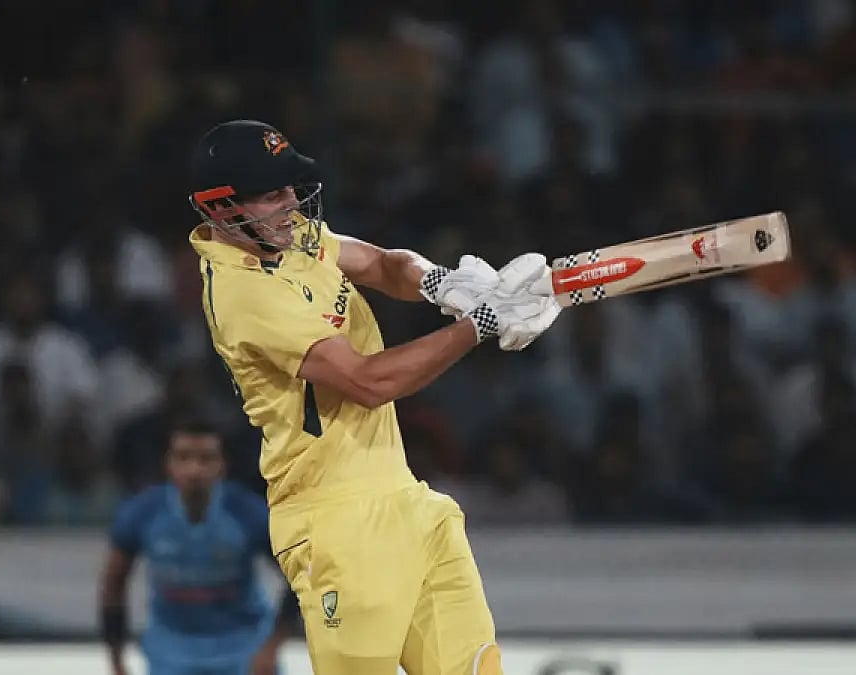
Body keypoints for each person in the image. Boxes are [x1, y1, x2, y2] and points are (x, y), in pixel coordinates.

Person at [187, 119, 562, 674]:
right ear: (222, 209)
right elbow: (368, 383)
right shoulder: (243, 294)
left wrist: (442, 283)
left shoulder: (285, 238)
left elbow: (383, 264)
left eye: (291, 187)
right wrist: (480, 323)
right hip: (335, 521)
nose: (291, 203)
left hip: (407, 500)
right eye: (273, 195)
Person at [100, 418, 297, 675]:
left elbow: (295, 577)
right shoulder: (141, 513)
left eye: (206, 459)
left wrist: (272, 647)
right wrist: (116, 661)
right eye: (183, 457)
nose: (194, 470)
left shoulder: (248, 512)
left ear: (222, 465)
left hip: (243, 648)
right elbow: (113, 584)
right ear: (168, 463)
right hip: (171, 651)